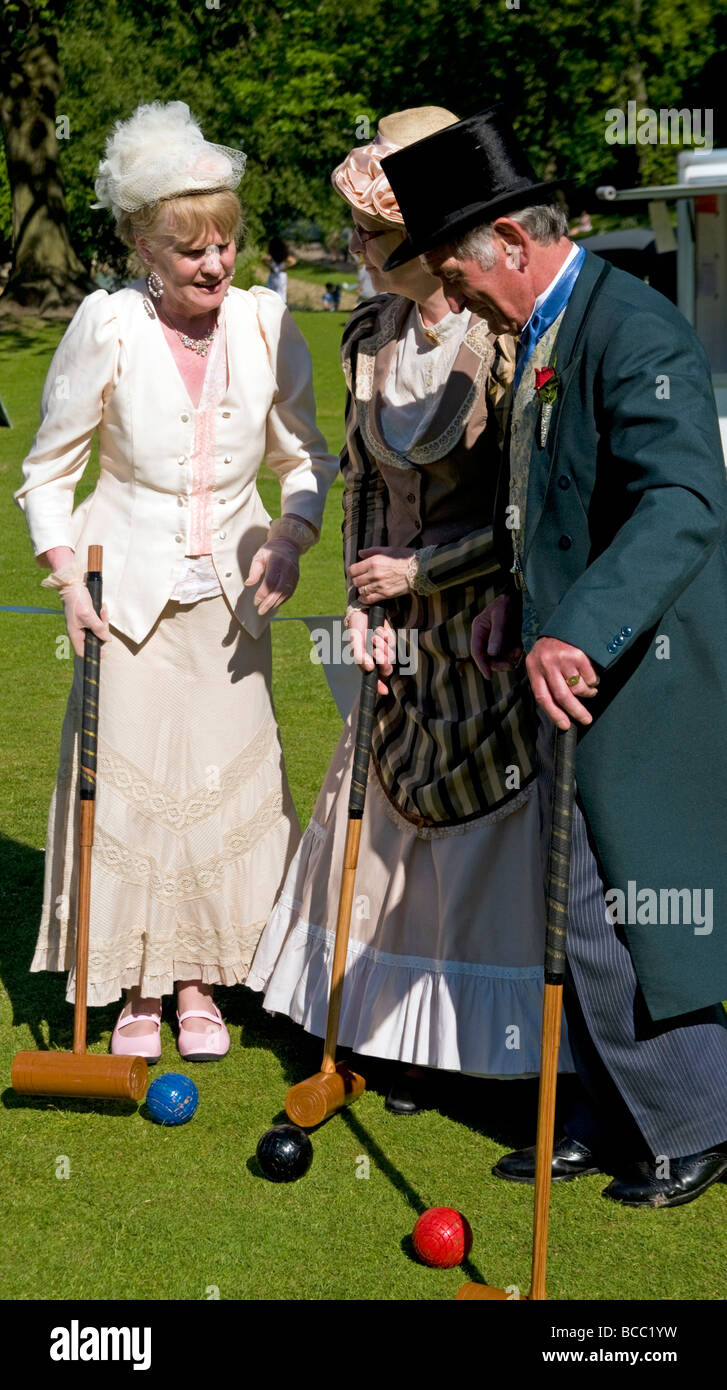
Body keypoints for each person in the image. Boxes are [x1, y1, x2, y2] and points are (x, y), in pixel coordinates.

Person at [381, 103, 727, 1203]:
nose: (460, 291)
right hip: (561, 655)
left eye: (461, 268)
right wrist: (519, 603)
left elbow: (678, 500)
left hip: (636, 667)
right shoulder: (545, 325)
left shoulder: (635, 331)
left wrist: (576, 626)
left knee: (621, 900)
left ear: (514, 245)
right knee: (573, 902)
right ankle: (598, 1108)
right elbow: (553, 495)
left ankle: (693, 1116)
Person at [248, 107, 574, 1110]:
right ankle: (391, 1035)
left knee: (480, 843)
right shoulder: (366, 333)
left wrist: (434, 580)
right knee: (388, 839)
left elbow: (532, 503)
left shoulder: (506, 336)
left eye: (366, 236)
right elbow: (360, 483)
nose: (351, 250)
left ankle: (489, 1051)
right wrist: (360, 596)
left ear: (423, 248)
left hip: (483, 622)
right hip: (394, 633)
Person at [15, 101, 337, 1064]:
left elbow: (306, 457)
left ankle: (203, 979)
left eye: (227, 243)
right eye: (189, 249)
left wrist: (289, 536)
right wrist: (68, 579)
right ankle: (139, 991)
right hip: (126, 605)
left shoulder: (268, 322)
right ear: (142, 249)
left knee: (223, 790)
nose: (214, 265)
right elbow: (45, 471)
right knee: (134, 796)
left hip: (234, 606)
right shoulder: (104, 325)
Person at [264, 236, 297, 303]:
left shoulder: (272, 256)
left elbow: (264, 259)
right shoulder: (284, 255)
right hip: (281, 275)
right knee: (281, 293)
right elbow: (293, 261)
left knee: (271, 292)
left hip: (273, 275)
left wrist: (270, 266)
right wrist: (285, 267)